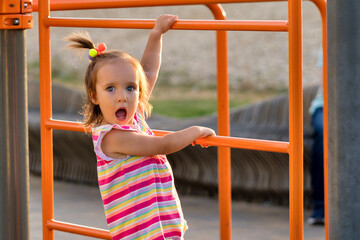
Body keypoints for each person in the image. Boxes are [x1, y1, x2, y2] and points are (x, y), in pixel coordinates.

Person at [67, 14, 216, 239]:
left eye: (130, 88)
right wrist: (197, 130)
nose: (122, 97)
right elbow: (163, 144)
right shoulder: (112, 137)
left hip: (161, 221)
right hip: (140, 232)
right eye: (110, 89)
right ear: (94, 96)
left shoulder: (134, 118)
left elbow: (148, 72)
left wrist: (156, 34)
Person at [307, 48, 324, 225]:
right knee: (323, 131)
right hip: (327, 103)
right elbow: (327, 83)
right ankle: (320, 207)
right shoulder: (334, 39)